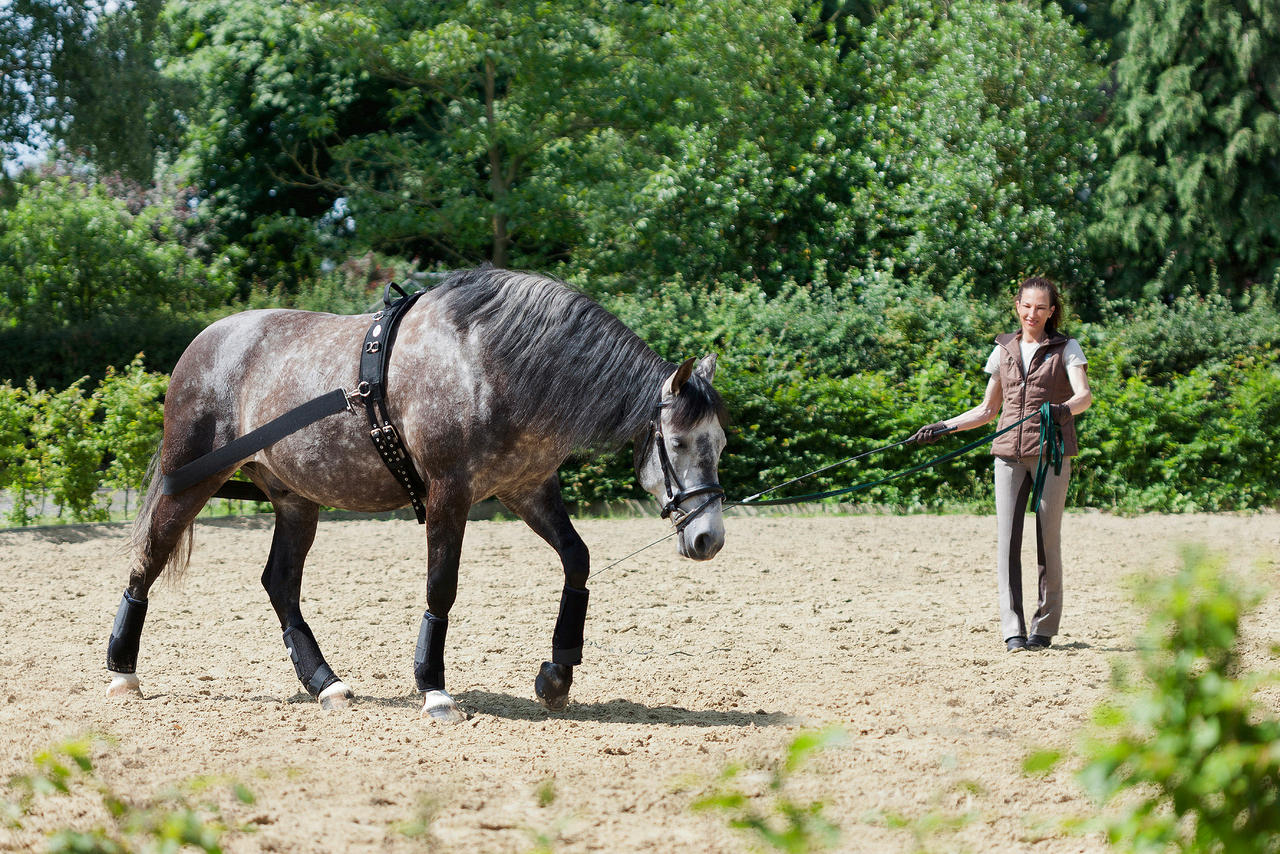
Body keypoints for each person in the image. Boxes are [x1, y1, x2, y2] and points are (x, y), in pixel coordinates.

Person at [910, 277, 1092, 653]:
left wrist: (1062, 410)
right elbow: (987, 410)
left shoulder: (1066, 348)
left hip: (1051, 454)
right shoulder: (1003, 350)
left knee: (1047, 540)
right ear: (1017, 306)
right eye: (1027, 306)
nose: (1033, 313)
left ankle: (1044, 628)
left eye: (1041, 307)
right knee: (1007, 542)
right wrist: (943, 427)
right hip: (1008, 454)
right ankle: (1013, 630)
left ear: (1052, 311)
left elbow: (1084, 396)